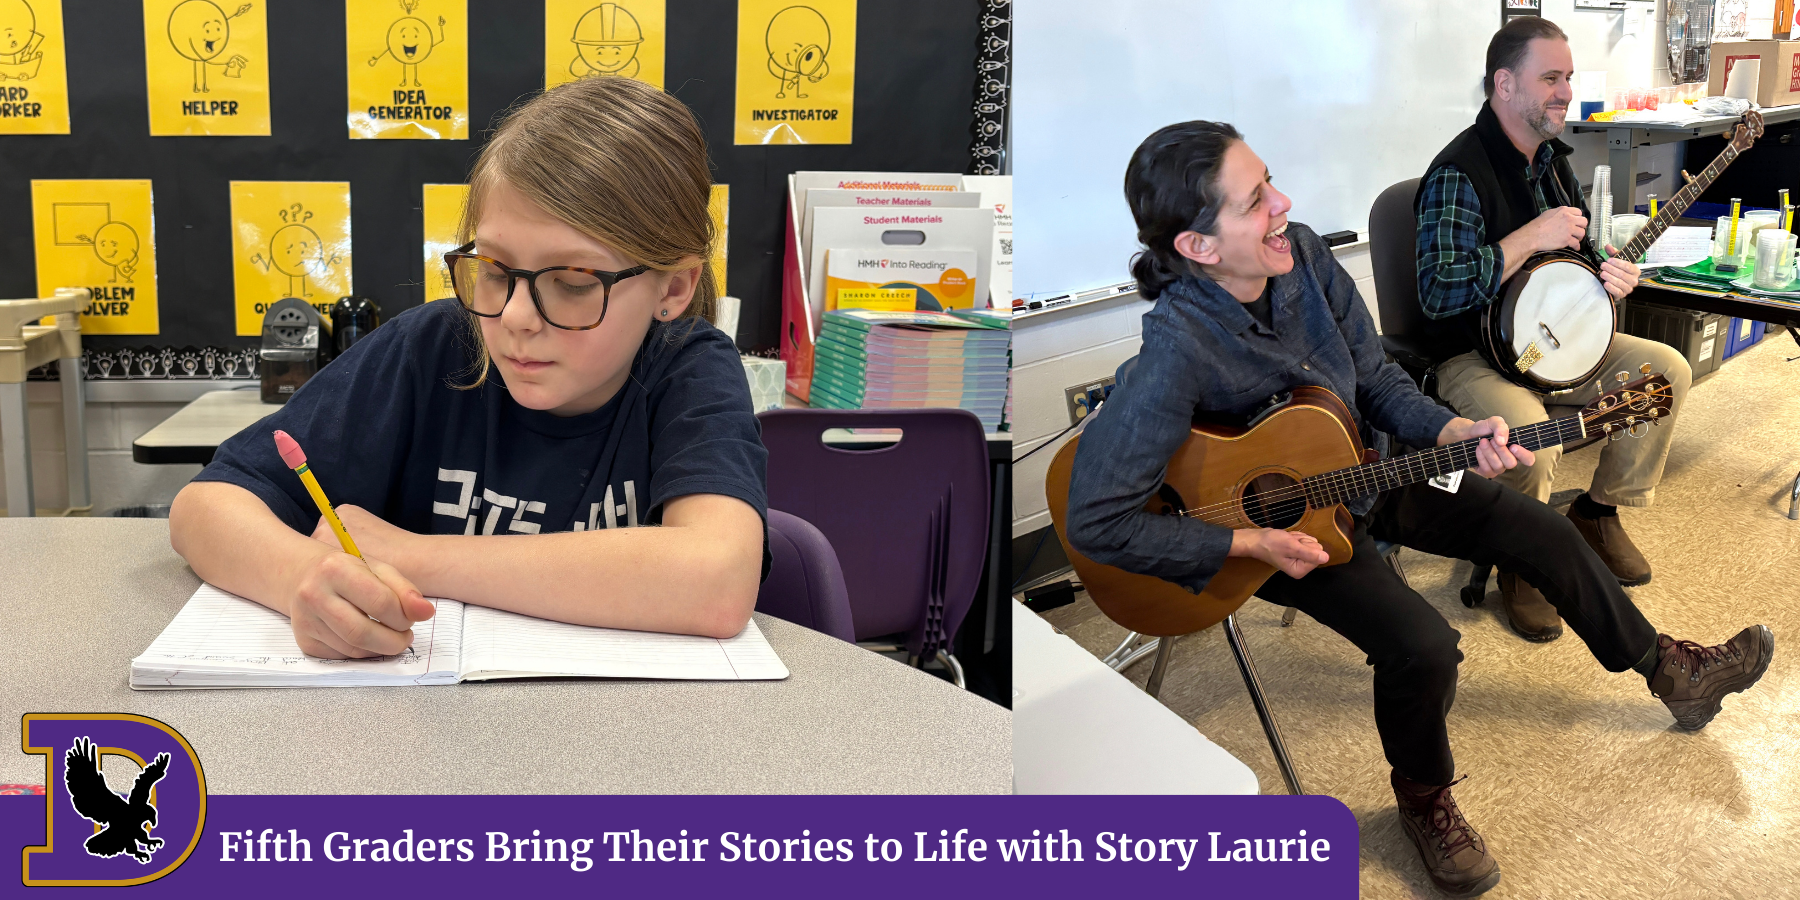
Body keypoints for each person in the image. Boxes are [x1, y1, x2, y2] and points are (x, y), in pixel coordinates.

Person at [1063, 121, 1772, 896]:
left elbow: (1373, 376)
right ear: (1198, 245)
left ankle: (1671, 671)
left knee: (1536, 527)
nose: (1284, 203)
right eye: (1256, 199)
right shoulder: (1175, 351)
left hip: (1366, 468)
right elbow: (1098, 521)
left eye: (1271, 181)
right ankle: (1425, 799)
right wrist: (1246, 546)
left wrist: (1450, 430)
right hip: (1279, 536)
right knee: (1425, 648)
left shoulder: (1302, 254)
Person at [169, 75, 768, 659]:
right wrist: (302, 575)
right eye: (495, 272)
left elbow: (718, 581)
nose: (516, 317)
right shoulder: (428, 348)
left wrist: (411, 556)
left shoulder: (689, 369)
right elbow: (204, 508)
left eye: (573, 282)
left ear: (674, 287)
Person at [1417, 17, 1692, 642]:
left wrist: (1610, 274)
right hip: (1472, 356)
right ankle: (1523, 561)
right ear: (1504, 84)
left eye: (1567, 77)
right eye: (1550, 78)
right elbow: (1438, 293)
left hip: (1552, 344)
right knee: (1532, 440)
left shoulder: (1552, 164)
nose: (1566, 92)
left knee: (1665, 374)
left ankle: (1598, 512)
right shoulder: (1457, 174)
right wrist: (1527, 238)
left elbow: (1579, 260)